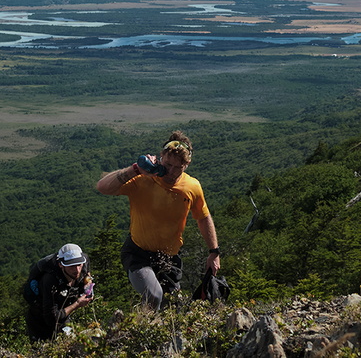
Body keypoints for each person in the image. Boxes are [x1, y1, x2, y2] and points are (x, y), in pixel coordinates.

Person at [96, 130, 220, 309]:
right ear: (161, 156)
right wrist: (135, 169)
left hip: (170, 258)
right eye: (167, 164)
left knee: (172, 310)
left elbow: (203, 217)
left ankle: (149, 324)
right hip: (138, 253)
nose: (171, 171)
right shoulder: (143, 179)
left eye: (178, 167)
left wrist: (214, 252)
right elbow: (103, 187)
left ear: (187, 165)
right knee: (154, 296)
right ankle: (142, 323)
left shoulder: (192, 187)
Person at [25, 243, 93, 342]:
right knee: (43, 348)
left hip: (63, 313)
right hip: (40, 321)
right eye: (71, 266)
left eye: (79, 265)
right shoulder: (50, 280)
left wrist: (88, 286)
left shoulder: (84, 263)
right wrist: (77, 304)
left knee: (67, 343)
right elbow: (52, 319)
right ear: (61, 265)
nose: (77, 270)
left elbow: (87, 274)